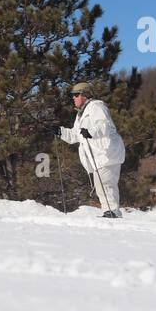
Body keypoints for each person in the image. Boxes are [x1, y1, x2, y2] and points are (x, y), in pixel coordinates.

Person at [52, 81, 125, 217]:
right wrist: (61, 132)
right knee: (101, 185)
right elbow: (76, 135)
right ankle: (109, 212)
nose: (73, 98)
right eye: (73, 95)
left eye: (76, 95)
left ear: (85, 95)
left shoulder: (96, 106)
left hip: (107, 153)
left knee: (105, 184)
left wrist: (90, 131)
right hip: (99, 157)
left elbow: (106, 126)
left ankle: (112, 212)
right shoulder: (81, 114)